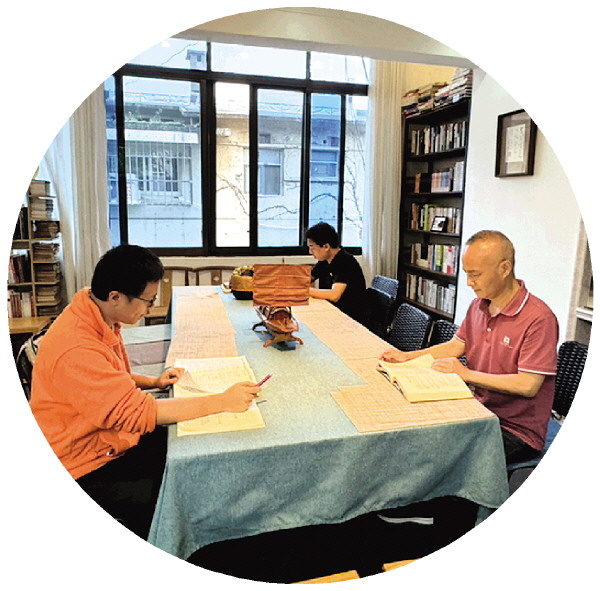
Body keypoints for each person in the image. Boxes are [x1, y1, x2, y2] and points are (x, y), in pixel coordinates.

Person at [29, 244, 260, 538]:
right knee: (184, 483)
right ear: (115, 297)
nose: (149, 308)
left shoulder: (93, 311)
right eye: (147, 301)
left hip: (101, 436)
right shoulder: (77, 346)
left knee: (191, 446)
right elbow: (140, 414)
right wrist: (222, 401)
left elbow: (108, 377)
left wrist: (153, 382)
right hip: (82, 462)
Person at [380, 230, 559, 464]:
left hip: (515, 430)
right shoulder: (479, 305)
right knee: (411, 429)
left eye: (475, 274)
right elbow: (456, 345)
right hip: (476, 409)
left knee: (437, 458)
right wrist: (408, 357)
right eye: (466, 274)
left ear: (504, 268)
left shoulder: (539, 318)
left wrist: (467, 375)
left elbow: (528, 385)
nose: (469, 283)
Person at [306, 222, 367, 324]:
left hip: (350, 317)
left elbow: (334, 295)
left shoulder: (345, 261)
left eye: (312, 247)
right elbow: (305, 279)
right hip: (333, 310)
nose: (310, 252)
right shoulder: (325, 261)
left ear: (326, 247)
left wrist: (305, 291)